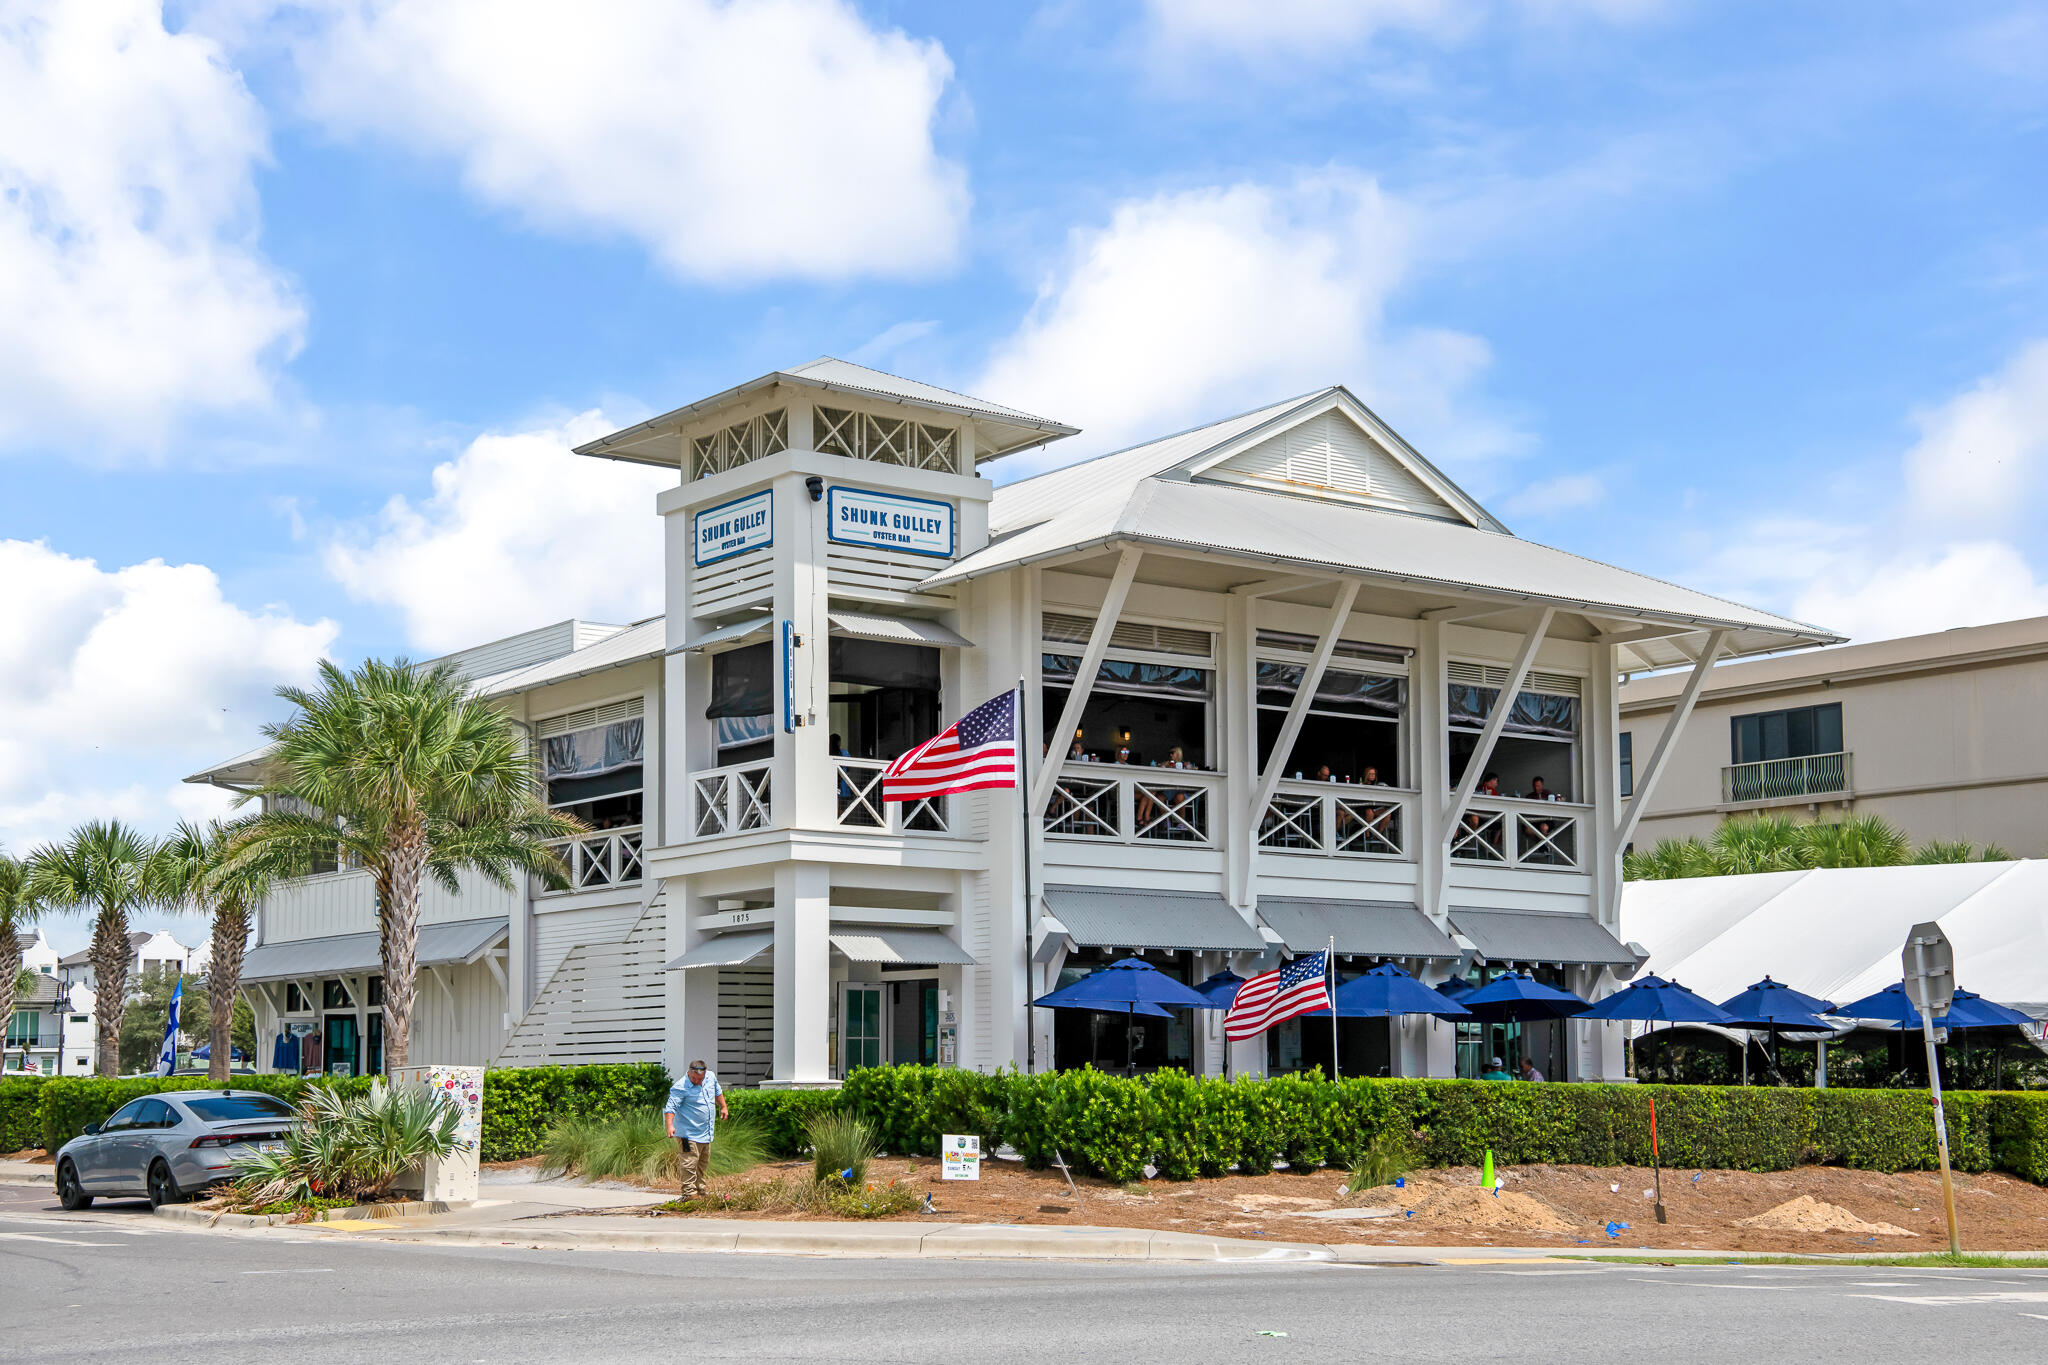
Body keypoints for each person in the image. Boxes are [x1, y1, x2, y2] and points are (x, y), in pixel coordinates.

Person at [663, 1059, 729, 1198]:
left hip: (705, 1133)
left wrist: (723, 1106)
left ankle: (700, 1192)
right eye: (694, 1078)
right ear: (689, 1072)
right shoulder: (680, 1087)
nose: (698, 1081)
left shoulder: (710, 1077)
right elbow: (670, 1107)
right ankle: (689, 1194)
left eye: (701, 1079)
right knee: (689, 1164)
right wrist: (669, 1125)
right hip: (687, 1135)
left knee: (702, 1164)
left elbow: (717, 1091)